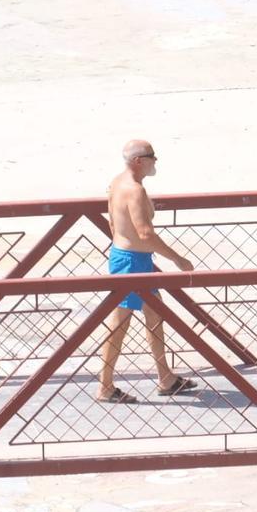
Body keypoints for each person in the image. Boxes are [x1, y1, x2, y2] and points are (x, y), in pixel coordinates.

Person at [95, 139, 198, 404]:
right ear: (138, 161)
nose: (156, 161)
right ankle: (105, 386)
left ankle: (166, 377)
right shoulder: (135, 190)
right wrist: (178, 259)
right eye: (152, 156)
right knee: (119, 324)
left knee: (155, 315)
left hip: (128, 258)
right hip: (131, 262)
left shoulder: (117, 182)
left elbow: (111, 221)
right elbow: (145, 233)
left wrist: (124, 248)